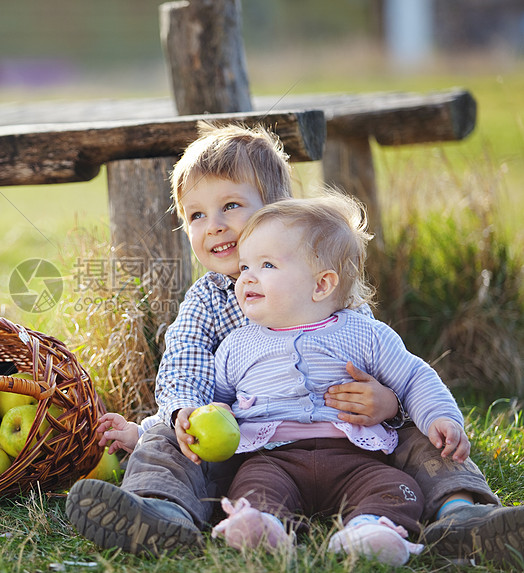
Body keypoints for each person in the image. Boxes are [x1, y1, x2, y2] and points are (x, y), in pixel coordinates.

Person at [65, 122, 523, 565]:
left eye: (230, 206)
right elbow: (187, 376)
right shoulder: (205, 302)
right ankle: (162, 512)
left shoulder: (332, 297)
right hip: (249, 448)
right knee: (173, 438)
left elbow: (395, 367)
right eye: (197, 215)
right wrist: (170, 419)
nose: (215, 226)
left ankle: (462, 515)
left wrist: (390, 404)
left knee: (425, 436)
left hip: (355, 440)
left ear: (275, 211)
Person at [207, 193, 467, 565]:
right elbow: (208, 397)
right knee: (255, 486)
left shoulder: (364, 335)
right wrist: (197, 414)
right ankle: (263, 524)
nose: (246, 277)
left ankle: (369, 528)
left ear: (322, 284)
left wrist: (441, 417)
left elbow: (413, 377)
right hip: (274, 457)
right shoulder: (238, 345)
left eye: (266, 265)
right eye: (244, 266)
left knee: (396, 487)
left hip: (355, 458)